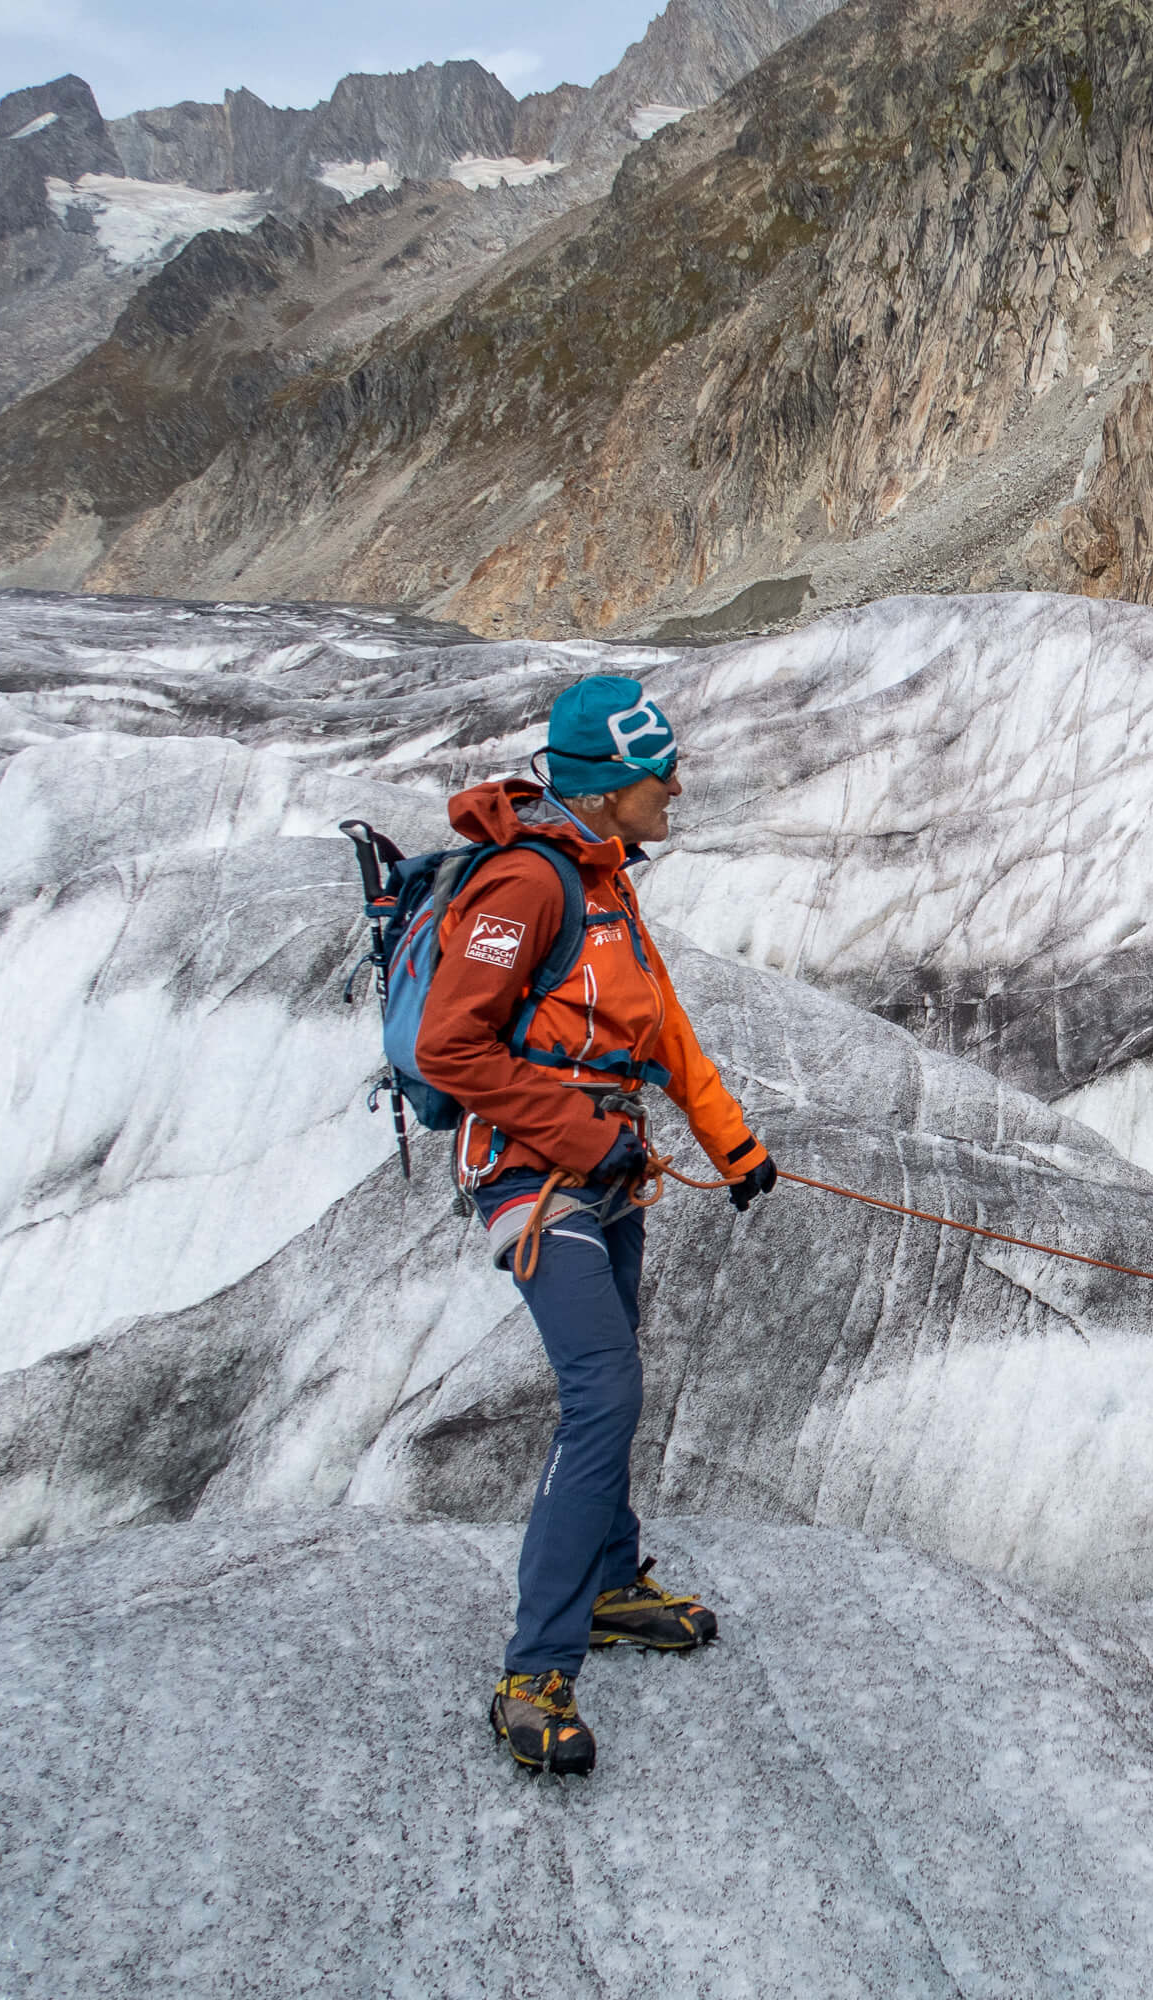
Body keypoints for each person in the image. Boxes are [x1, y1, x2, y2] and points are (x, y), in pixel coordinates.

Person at [416, 674, 780, 1776]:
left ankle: (612, 1582)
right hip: (537, 1178)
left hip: (603, 1167)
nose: (676, 784)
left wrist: (736, 1147)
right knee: (603, 1388)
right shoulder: (528, 884)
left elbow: (663, 1028)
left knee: (616, 1372)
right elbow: (450, 1048)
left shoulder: (607, 882)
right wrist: (582, 1137)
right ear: (612, 785)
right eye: (658, 769)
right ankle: (535, 1672)